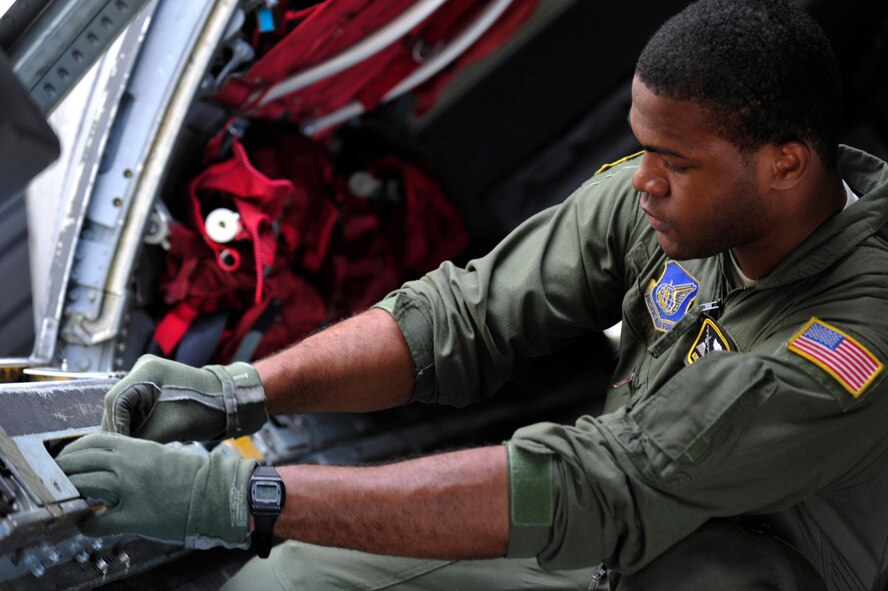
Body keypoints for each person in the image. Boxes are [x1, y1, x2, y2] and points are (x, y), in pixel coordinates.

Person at [55, 0, 888, 588]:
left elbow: (600, 484)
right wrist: (244, 390)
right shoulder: (659, 203)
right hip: (601, 531)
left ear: (784, 163)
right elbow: (462, 317)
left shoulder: (853, 341)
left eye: (675, 161)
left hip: (730, 566)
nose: (642, 181)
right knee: (298, 577)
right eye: (642, 147)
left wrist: (232, 497)